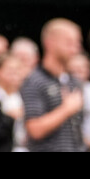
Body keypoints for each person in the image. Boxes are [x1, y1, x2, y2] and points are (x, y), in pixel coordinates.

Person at [20, 18, 85, 152]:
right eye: (69, 42)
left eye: (77, 42)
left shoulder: (74, 81)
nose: (75, 48)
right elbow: (34, 130)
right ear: (49, 43)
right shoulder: (34, 81)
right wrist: (66, 109)